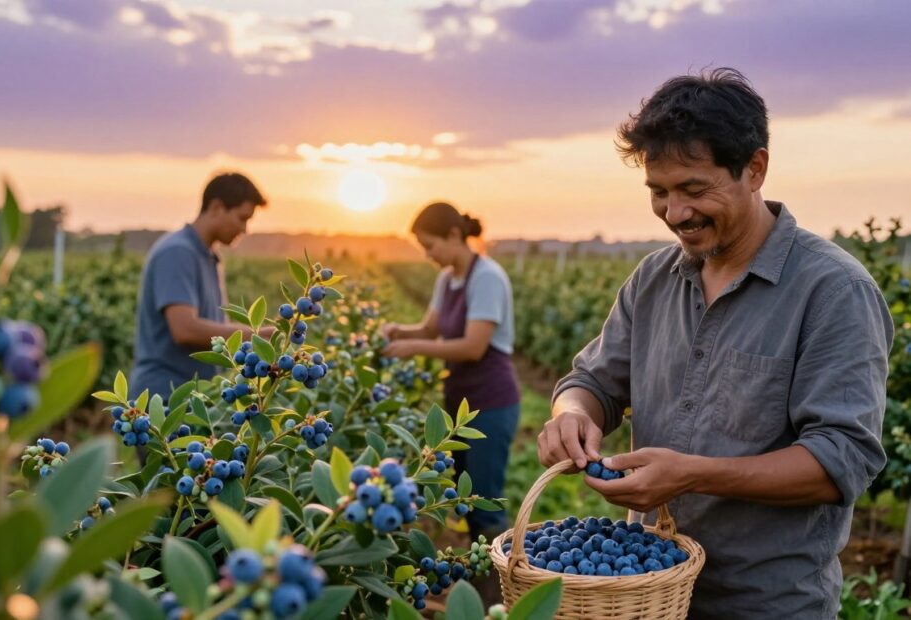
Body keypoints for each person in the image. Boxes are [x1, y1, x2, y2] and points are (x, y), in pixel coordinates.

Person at [538, 68, 892, 618]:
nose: (675, 213)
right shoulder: (653, 279)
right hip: (647, 588)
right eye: (659, 192)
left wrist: (694, 473)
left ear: (755, 168)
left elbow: (840, 459)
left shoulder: (833, 291)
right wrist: (572, 414)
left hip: (765, 603)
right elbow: (592, 382)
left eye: (694, 189)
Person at [382, 202, 520, 542]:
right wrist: (399, 331)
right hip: (460, 401)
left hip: (491, 402)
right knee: (464, 494)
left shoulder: (487, 277)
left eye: (430, 245)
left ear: (455, 235)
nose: (427, 255)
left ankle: (499, 569)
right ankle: (479, 562)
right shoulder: (447, 279)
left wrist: (413, 348)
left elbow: (473, 346)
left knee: (484, 501)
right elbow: (430, 329)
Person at [130, 172, 274, 401]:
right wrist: (260, 337)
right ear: (216, 207)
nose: (245, 229)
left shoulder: (208, 257)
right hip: (164, 397)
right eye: (242, 218)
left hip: (195, 396)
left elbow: (216, 332)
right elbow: (185, 329)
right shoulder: (178, 252)